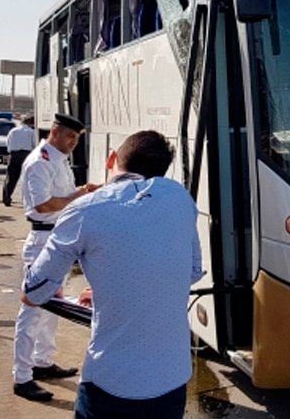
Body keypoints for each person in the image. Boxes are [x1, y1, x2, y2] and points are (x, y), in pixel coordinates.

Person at [22, 130, 202, 418]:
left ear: (111, 159)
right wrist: (114, 286)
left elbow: (33, 292)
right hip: (172, 377)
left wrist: (108, 289)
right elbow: (190, 272)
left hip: (112, 381)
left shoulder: (84, 209)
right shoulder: (180, 198)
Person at [12, 113, 98, 402]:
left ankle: (43, 361)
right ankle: (22, 377)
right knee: (33, 308)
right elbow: (43, 204)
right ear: (55, 132)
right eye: (70, 136)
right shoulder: (40, 161)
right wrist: (77, 197)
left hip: (58, 239)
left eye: (77, 139)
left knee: (53, 307)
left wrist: (82, 193)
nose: (73, 142)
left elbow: (62, 199)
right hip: (42, 242)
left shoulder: (59, 160)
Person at [3, 115, 36, 206]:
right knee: (26, 178)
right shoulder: (31, 132)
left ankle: (6, 198)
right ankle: (26, 200)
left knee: (10, 178)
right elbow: (34, 144)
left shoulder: (13, 131)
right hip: (26, 155)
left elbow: (7, 142)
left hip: (13, 154)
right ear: (30, 123)